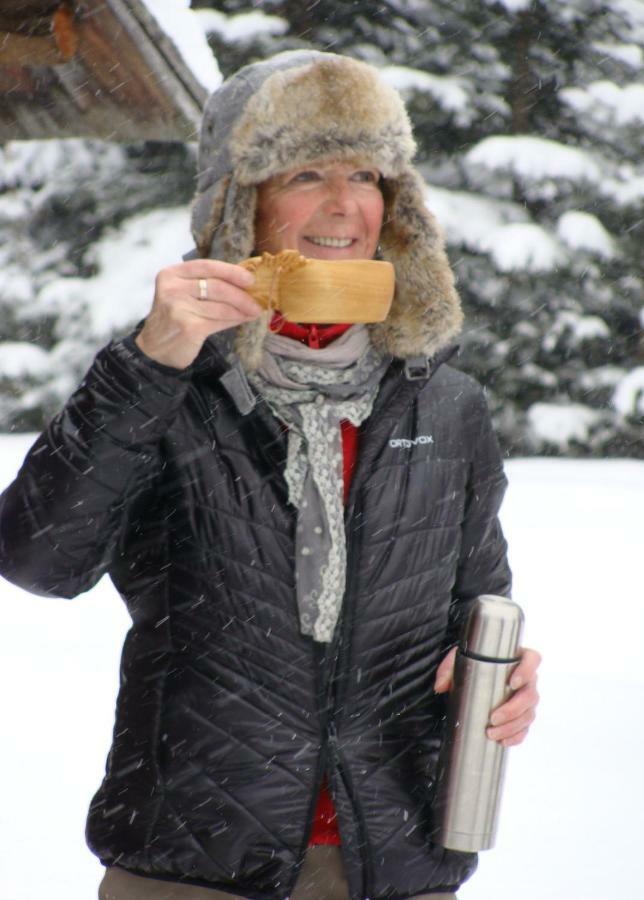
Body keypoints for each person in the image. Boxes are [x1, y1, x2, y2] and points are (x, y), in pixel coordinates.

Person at [0, 51, 540, 900]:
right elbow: (38, 559)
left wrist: (505, 676)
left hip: (392, 862)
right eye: (304, 172)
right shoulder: (168, 384)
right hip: (191, 861)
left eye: (365, 173)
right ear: (236, 204)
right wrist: (149, 363)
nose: (342, 205)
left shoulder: (447, 404)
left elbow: (477, 605)